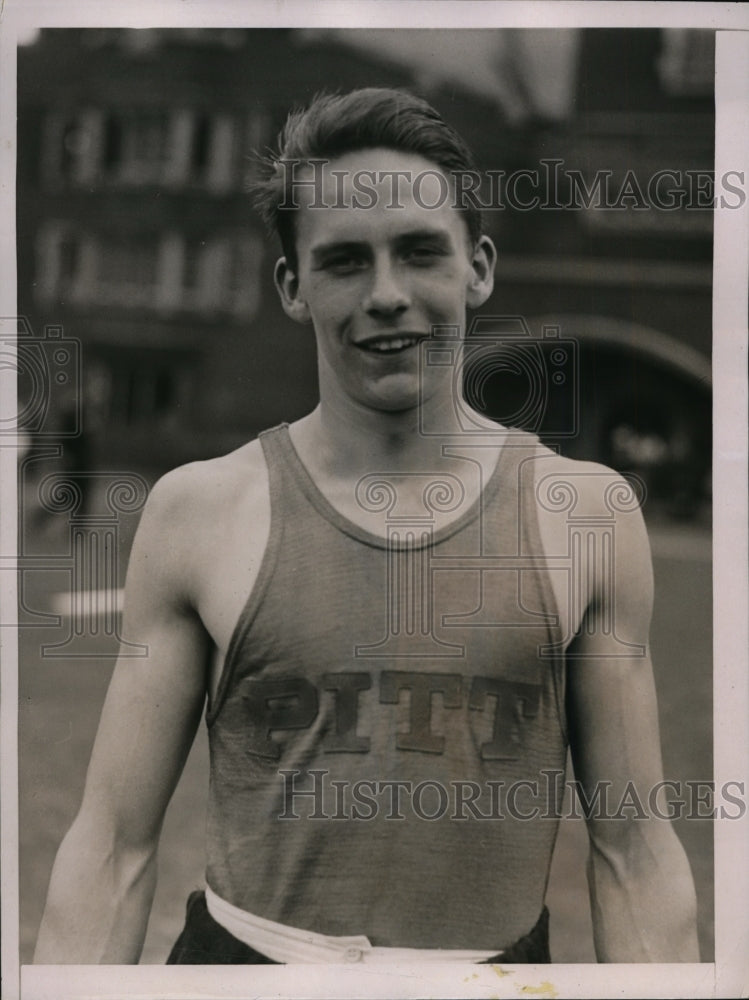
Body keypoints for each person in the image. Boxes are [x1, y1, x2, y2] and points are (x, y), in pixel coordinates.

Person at [34, 87, 699, 966]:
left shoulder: (584, 513)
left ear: (479, 267)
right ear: (292, 285)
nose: (386, 295)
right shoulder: (199, 508)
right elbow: (112, 846)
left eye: (420, 252)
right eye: (344, 261)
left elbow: (634, 854)